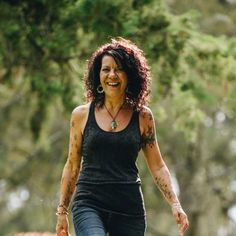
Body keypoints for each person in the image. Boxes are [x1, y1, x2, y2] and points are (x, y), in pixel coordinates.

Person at [56, 37, 189, 236]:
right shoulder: (81, 115)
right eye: (106, 69)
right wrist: (62, 211)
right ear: (97, 74)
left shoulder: (143, 117)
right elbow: (72, 165)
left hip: (128, 208)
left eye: (119, 69)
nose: (112, 75)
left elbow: (158, 166)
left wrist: (175, 203)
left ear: (130, 75)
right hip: (89, 203)